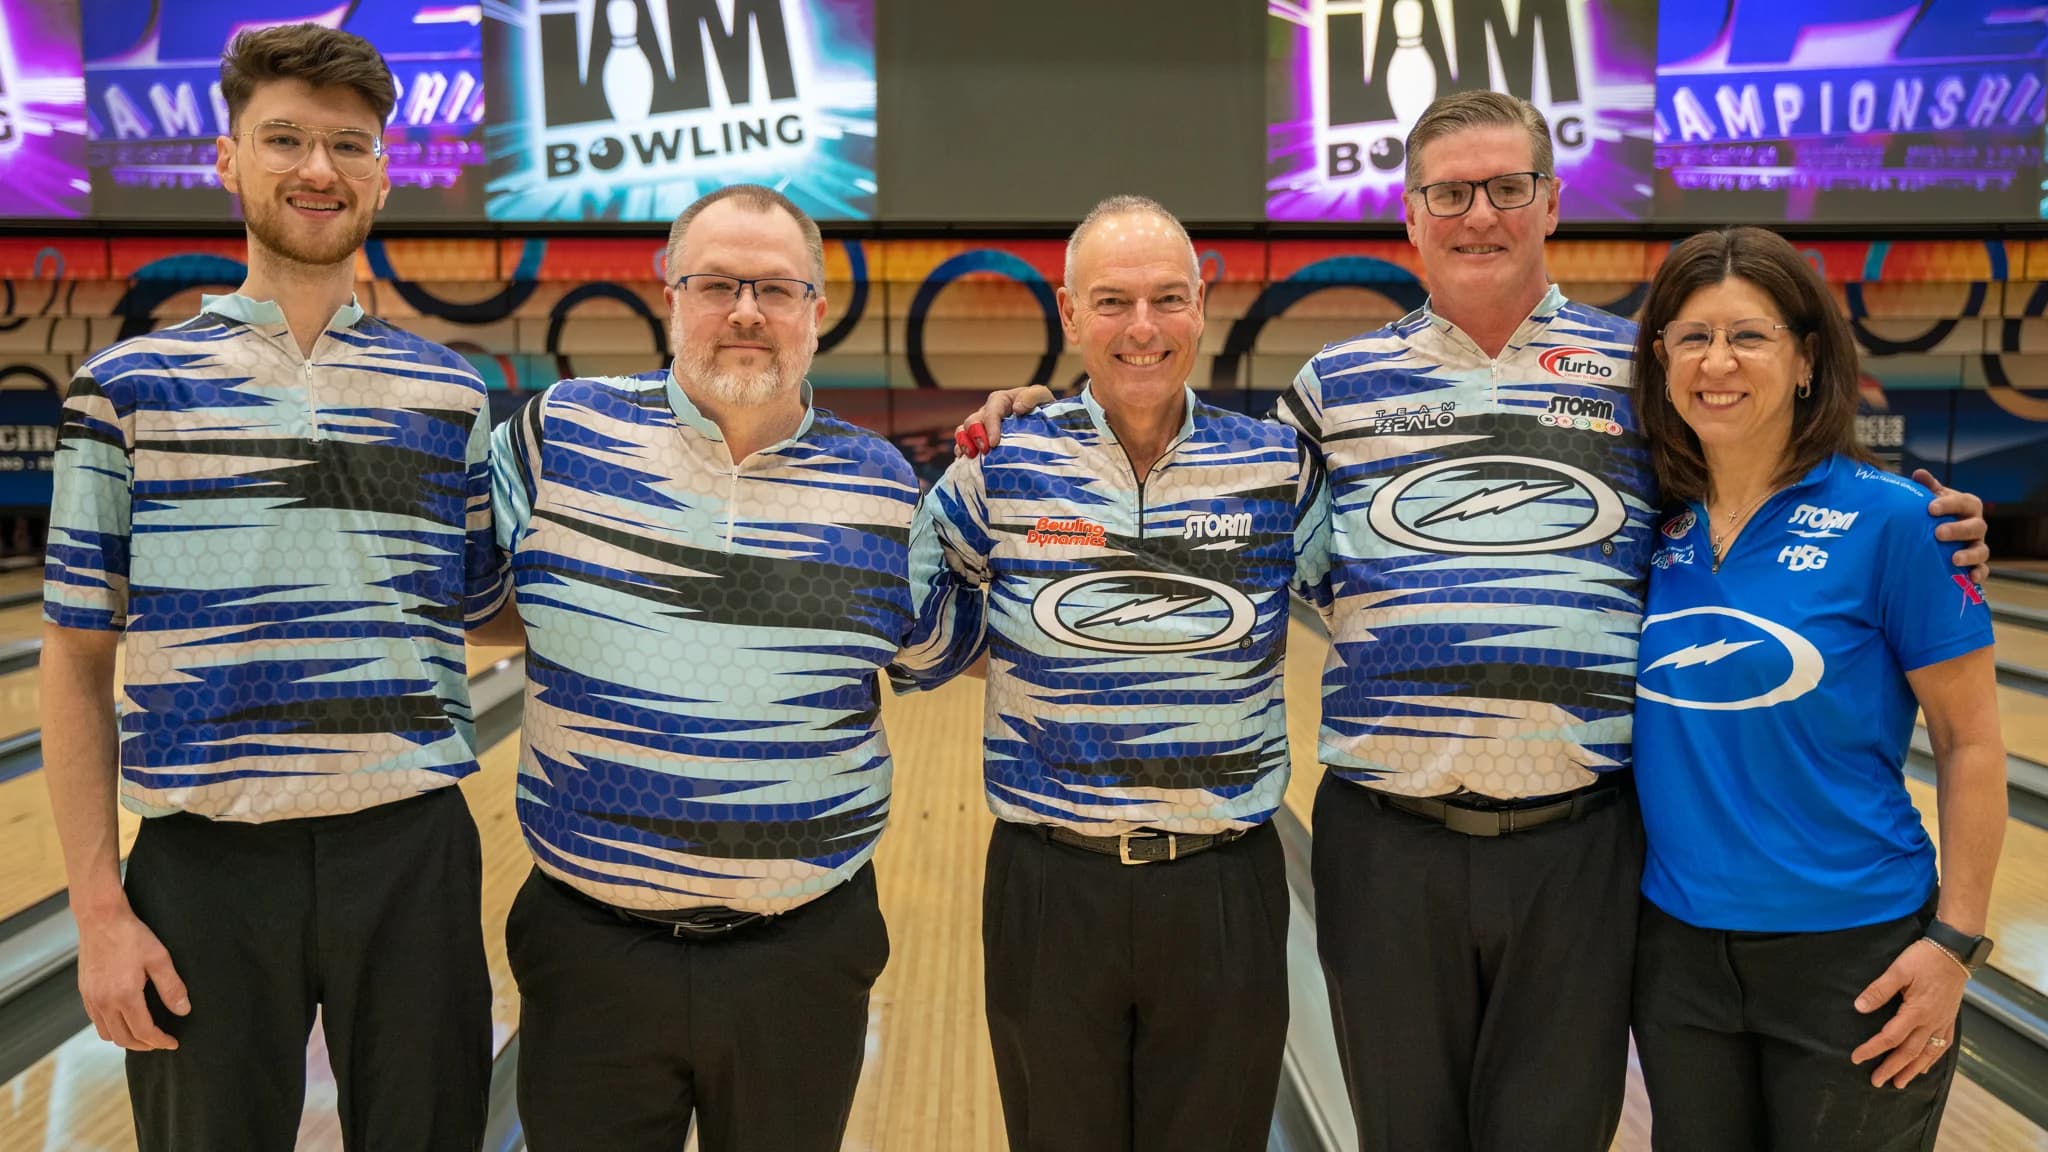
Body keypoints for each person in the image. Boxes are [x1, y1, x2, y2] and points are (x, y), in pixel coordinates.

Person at [956, 92, 1990, 1151]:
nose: (1478, 214)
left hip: (1578, 847)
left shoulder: (1636, 375)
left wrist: (1916, 520)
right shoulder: (1331, 390)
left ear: (1549, 205)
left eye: (1506, 188)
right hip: (1384, 846)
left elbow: (1748, 490)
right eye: (1448, 192)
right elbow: (1199, 511)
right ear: (1409, 216)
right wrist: (1048, 413)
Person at [41, 24, 505, 1151]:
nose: (316, 169)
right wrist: (99, 913)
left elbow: (497, 607)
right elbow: (73, 659)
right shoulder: (126, 389)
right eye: (283, 138)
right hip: (203, 867)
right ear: (228, 159)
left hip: (410, 854)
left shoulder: (451, 394)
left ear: (382, 172)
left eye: (347, 145)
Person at [479, 184, 974, 1152]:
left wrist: (1028, 460)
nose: (745, 312)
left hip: (800, 956)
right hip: (591, 952)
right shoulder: (558, 437)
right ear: (670, 295)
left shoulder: (877, 485)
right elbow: (441, 587)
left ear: (814, 313)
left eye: (774, 289)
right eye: (716, 285)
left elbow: (945, 644)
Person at [899, 195, 1329, 1152]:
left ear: (1201, 306)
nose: (1143, 328)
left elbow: (1367, 602)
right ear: (1068, 314)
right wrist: (1014, 642)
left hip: (1225, 888)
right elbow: (911, 619)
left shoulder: (1274, 468)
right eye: (1113, 301)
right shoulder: (1001, 463)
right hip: (1052, 886)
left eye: (1168, 299)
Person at [1629, 226, 2005, 1151]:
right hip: (1676, 955)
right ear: (1663, 361)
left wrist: (1955, 946)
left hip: (1856, 951)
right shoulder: (1645, 525)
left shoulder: (1901, 522)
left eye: (1749, 335)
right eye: (1692, 336)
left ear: (1804, 360)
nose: (1718, 361)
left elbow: (1972, 743)